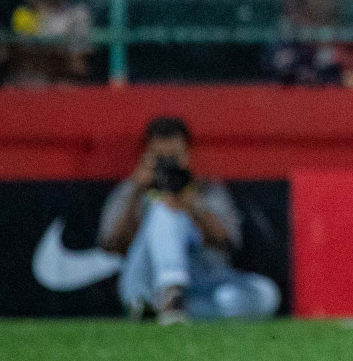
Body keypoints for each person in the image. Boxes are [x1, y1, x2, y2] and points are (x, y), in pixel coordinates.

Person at [99, 116, 280, 324]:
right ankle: (171, 292)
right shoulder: (131, 191)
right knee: (164, 209)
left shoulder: (206, 190)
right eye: (161, 159)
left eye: (174, 158)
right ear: (146, 157)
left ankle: (169, 310)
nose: (168, 166)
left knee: (265, 294)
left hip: (202, 280)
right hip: (147, 280)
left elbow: (229, 242)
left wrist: (193, 206)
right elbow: (111, 244)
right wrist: (138, 192)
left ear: (188, 154)